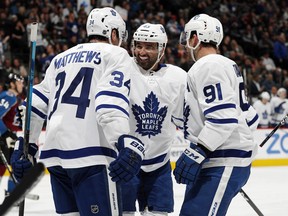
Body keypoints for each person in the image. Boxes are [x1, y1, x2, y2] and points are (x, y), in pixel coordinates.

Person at [10, 7, 146, 216]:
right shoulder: (117, 54)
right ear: (113, 33)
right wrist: (122, 141)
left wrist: (25, 146)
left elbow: (35, 103)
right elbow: (109, 102)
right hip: (92, 155)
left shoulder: (60, 58)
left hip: (55, 157)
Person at [173, 14, 259, 216]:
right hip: (222, 159)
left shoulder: (207, 66)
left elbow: (223, 119)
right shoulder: (227, 64)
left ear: (196, 38)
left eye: (187, 39)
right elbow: (250, 117)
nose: (185, 45)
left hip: (221, 160)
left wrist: (199, 150)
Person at [121, 23, 187, 216]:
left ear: (162, 49)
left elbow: (186, 121)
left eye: (149, 47)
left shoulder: (178, 77)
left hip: (160, 163)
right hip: (125, 161)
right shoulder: (121, 70)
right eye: (139, 45)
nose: (142, 51)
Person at [0, 73, 24, 196]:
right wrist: (5, 134)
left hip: (8, 137)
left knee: (11, 165)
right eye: (19, 82)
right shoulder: (9, 96)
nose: (22, 85)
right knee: (14, 164)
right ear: (12, 84)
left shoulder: (17, 99)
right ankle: (11, 192)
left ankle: (11, 192)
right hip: (4, 137)